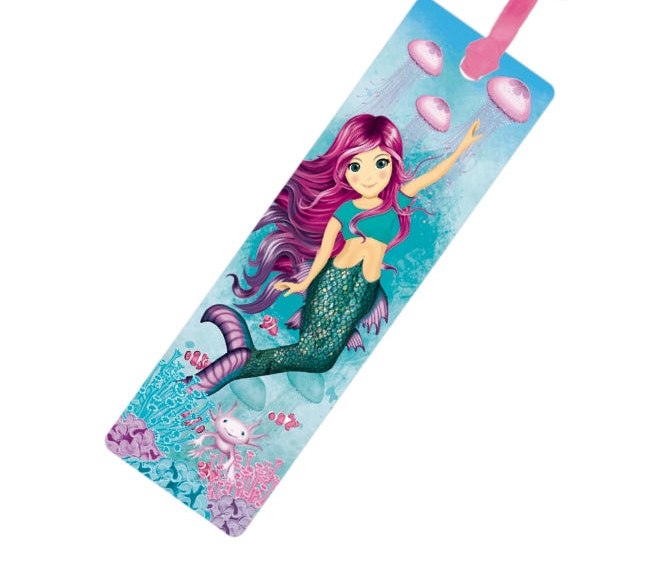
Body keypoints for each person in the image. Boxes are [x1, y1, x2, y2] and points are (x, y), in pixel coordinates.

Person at [187, 114, 482, 395]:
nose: (368, 176)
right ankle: (237, 364)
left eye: (380, 163)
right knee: (315, 357)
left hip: (364, 289)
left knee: (320, 360)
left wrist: (461, 148)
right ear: (344, 169)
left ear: (393, 164)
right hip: (334, 281)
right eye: (356, 166)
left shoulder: (395, 200)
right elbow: (324, 253)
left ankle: (238, 362)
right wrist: (304, 283)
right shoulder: (345, 210)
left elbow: (431, 176)